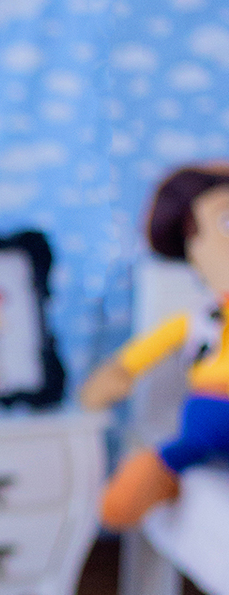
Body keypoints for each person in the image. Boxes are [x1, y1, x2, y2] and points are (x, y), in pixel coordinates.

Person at [81, 164, 229, 526]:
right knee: (188, 445)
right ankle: (154, 471)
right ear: (193, 249)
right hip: (213, 407)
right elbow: (142, 353)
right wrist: (118, 373)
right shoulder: (199, 318)